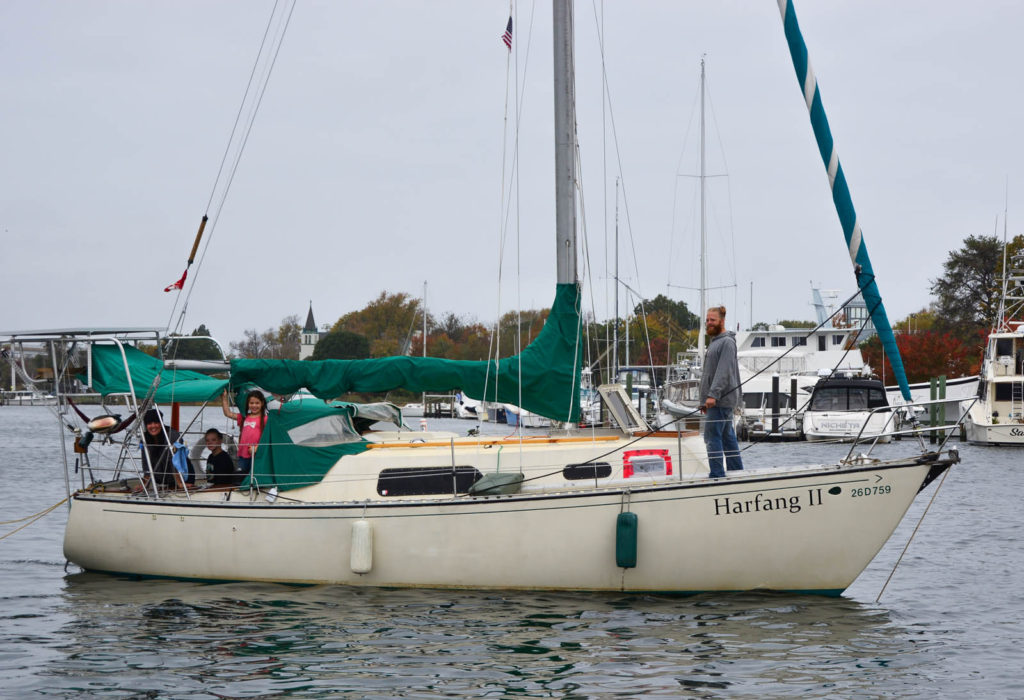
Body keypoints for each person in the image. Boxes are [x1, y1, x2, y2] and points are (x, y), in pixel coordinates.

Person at [699, 306, 744, 478]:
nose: (709, 323)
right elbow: (709, 373)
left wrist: (712, 396)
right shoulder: (716, 342)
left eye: (713, 320)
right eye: (707, 320)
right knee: (727, 437)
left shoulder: (727, 342)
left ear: (722, 321)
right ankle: (737, 472)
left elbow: (723, 371)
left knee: (712, 437)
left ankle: (717, 474)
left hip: (720, 400)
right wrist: (704, 400)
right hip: (715, 401)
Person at [135, 408, 189, 492]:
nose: (153, 426)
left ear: (161, 422)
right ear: (146, 425)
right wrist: (144, 484)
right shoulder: (145, 439)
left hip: (180, 478)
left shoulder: (172, 435)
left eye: (156, 422)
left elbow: (175, 461)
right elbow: (146, 463)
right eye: (149, 423)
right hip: (161, 481)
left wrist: (180, 483)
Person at [222, 389, 267, 477]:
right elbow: (228, 413)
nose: (254, 405)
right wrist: (224, 398)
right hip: (242, 455)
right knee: (240, 476)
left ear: (262, 403)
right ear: (248, 404)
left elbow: (267, 437)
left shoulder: (265, 419)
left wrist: (258, 447)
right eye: (251, 403)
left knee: (254, 477)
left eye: (257, 403)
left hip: (256, 454)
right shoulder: (244, 417)